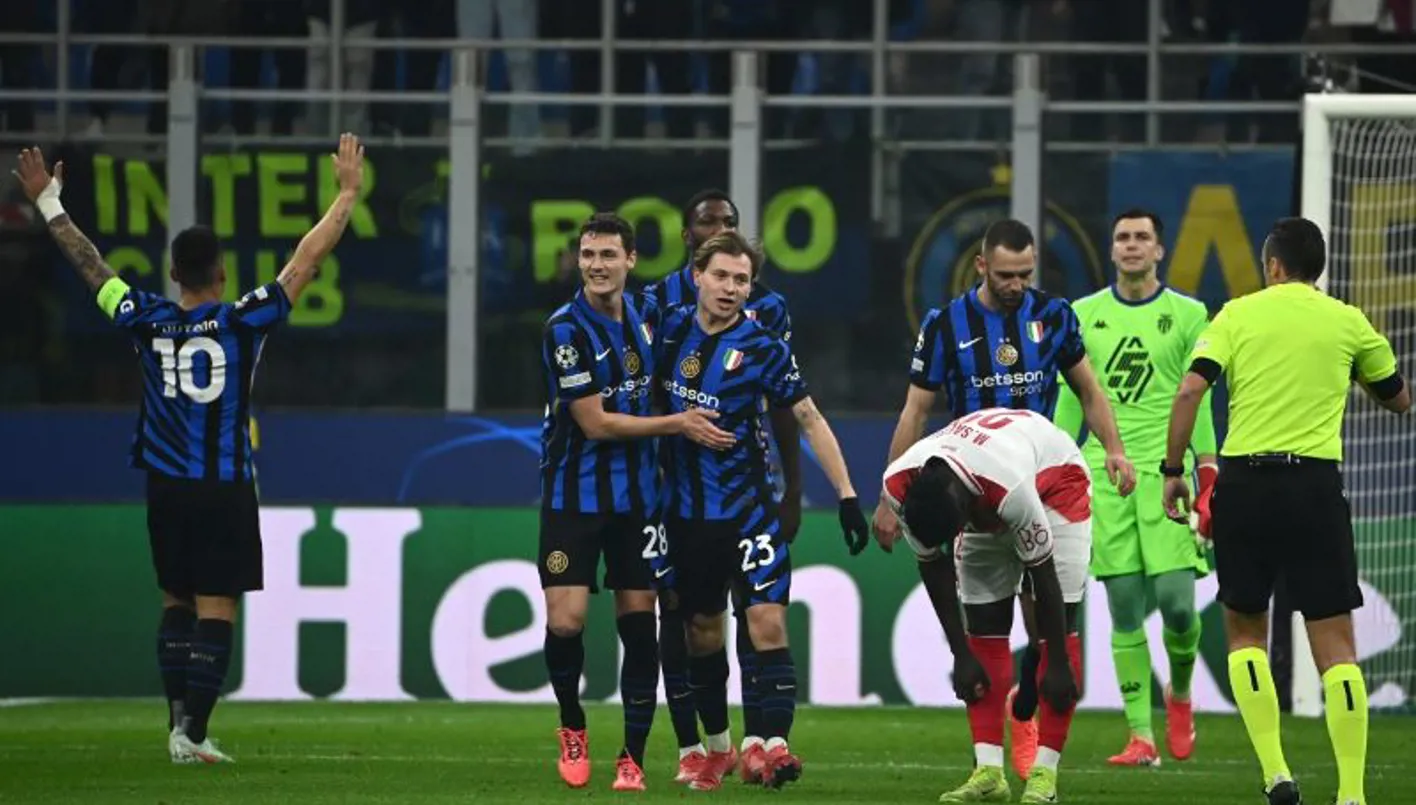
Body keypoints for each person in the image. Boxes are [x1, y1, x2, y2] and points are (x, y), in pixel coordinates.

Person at [12, 135, 365, 763]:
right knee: (217, 606)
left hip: (166, 486)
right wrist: (346, 194)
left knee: (176, 600)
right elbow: (305, 260)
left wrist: (49, 204)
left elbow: (92, 267)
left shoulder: (144, 318)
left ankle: (177, 725)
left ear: (173, 274)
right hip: (223, 484)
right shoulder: (242, 321)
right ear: (222, 274)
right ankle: (194, 734)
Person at [872, 217, 1135, 778]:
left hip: (1038, 480)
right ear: (981, 266)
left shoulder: (1054, 316)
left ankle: (1028, 698)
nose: (1017, 285)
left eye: (1025, 274)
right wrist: (889, 500)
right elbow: (915, 411)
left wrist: (1114, 449)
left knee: (1045, 624)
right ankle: (992, 752)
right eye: (1006, 275)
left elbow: (1089, 389)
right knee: (987, 616)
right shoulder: (945, 325)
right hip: (974, 487)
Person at [1163, 217, 1411, 805]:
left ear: (1272, 265)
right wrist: (1352, 372)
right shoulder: (1348, 321)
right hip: (1314, 487)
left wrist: (1173, 470)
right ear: (1318, 267)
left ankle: (1277, 774)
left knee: (1245, 633)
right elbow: (1399, 399)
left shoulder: (1237, 315)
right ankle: (1351, 793)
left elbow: (1191, 390)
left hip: (1245, 485)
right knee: (1336, 645)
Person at [657, 230, 871, 790]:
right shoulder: (668, 331)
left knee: (767, 621)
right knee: (702, 632)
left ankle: (774, 747)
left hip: (750, 511)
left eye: (742, 280)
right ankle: (720, 748)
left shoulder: (764, 348)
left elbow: (809, 419)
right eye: (721, 276)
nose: (730, 288)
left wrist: (847, 494)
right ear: (697, 276)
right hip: (686, 517)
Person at [537, 212, 735, 792]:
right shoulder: (564, 331)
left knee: (640, 627)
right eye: (588, 255)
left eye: (607, 255)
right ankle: (572, 724)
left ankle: (632, 757)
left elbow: (704, 320)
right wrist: (679, 423)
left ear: (630, 261)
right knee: (566, 621)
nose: (596, 266)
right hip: (573, 496)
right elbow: (594, 423)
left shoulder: (650, 316)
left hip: (640, 500)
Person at [641, 188, 803, 785]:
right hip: (674, 496)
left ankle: (761, 741)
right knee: (684, 621)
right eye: (707, 223)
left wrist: (792, 489)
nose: (719, 230)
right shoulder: (658, 305)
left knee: (756, 612)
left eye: (728, 222)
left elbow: (787, 407)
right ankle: (698, 745)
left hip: (742, 491)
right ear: (690, 244)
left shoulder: (768, 311)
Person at [1052, 209, 1216, 766]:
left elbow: (1199, 398)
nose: (1131, 245)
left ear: (1159, 250)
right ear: (1111, 248)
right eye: (1122, 237)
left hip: (1168, 472)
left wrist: (1207, 468)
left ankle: (1181, 693)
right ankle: (1140, 736)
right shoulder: (1083, 315)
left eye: (1142, 237)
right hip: (1106, 474)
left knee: (1176, 605)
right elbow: (1072, 398)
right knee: (1124, 607)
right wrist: (1055, 462)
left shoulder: (1189, 314)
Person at [881, 408, 1089, 804]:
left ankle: (1045, 776)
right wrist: (960, 653)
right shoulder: (899, 487)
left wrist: (1058, 662)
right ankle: (989, 773)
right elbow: (933, 567)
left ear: (962, 512)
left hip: (1056, 483)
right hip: (982, 484)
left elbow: (1043, 575)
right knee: (984, 624)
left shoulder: (1010, 487)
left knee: (1057, 628)